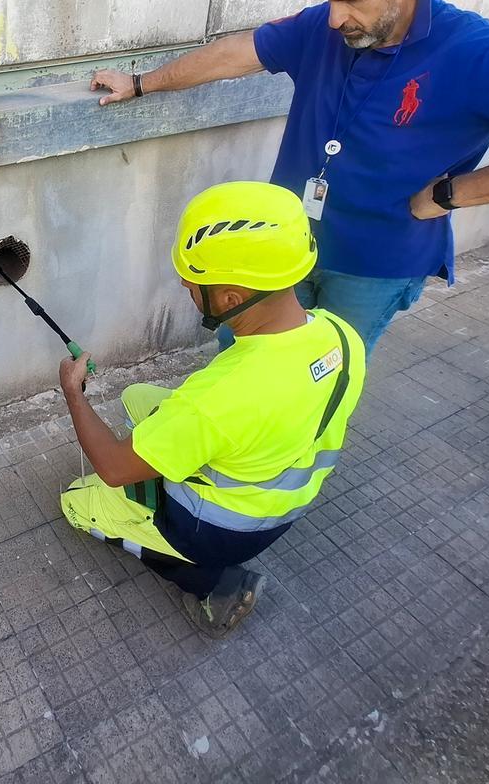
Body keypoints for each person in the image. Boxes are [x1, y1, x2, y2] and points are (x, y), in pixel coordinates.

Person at [92, 0, 489, 354]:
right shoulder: (325, 26)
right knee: (242, 362)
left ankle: (303, 460)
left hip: (375, 264)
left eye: (353, 0)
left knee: (321, 381)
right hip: (280, 246)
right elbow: (236, 54)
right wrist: (141, 83)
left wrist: (451, 194)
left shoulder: (478, 52)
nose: (335, 19)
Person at [58, 182, 366, 638]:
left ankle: (213, 582)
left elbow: (111, 468)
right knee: (137, 398)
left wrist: (72, 394)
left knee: (76, 502)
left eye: (192, 284)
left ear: (229, 299)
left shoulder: (219, 397)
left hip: (221, 527)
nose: (186, 287)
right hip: (286, 493)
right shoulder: (341, 335)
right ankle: (174, 471)